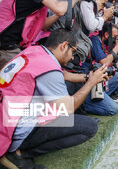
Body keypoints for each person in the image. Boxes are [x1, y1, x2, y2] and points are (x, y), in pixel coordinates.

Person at [0, 29, 105, 168]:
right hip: (13, 129)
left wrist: (89, 77)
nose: (72, 58)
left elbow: (63, 75)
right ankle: (19, 153)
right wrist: (91, 83)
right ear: (64, 46)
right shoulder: (49, 68)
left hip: (6, 116)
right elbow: (68, 108)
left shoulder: (34, 52)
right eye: (73, 52)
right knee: (89, 126)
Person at [0, 0, 85, 69]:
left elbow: (44, 25)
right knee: (12, 81)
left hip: (15, 44)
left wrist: (59, 14)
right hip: (6, 43)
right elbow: (60, 9)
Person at [87, 22, 118, 115]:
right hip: (91, 80)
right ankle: (88, 104)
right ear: (106, 34)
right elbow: (104, 62)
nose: (116, 39)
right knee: (113, 108)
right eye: (115, 36)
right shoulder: (95, 40)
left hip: (102, 78)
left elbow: (113, 63)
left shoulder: (107, 43)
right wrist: (117, 46)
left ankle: (103, 96)